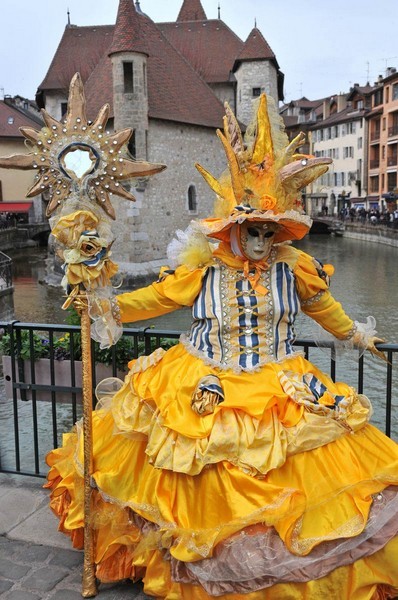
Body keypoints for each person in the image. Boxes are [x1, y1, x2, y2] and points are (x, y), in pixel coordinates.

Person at [46, 95, 398, 599]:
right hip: (205, 379)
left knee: (306, 480)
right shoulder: (202, 269)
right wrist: (102, 303)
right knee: (194, 477)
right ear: (233, 227)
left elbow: (324, 308)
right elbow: (157, 296)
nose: (260, 237)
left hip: (281, 382)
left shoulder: (293, 267)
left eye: (268, 229)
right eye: (252, 228)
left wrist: (360, 335)